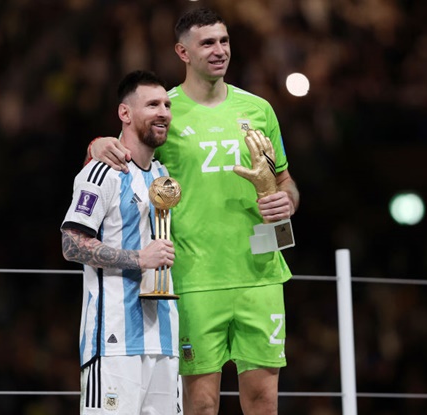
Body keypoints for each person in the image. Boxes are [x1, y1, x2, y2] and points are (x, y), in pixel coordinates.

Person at [87, 8, 299, 415]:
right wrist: (96, 145)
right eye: (207, 43)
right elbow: (120, 155)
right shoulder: (165, 110)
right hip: (193, 277)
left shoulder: (259, 109)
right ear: (182, 52)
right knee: (200, 404)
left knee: (264, 401)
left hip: (260, 275)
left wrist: (287, 199)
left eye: (224, 41)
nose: (220, 51)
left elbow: (285, 179)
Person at [61, 70, 180, 415]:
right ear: (125, 113)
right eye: (153, 105)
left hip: (163, 338)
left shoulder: (162, 175)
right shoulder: (101, 172)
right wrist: (139, 259)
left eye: (167, 105)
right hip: (114, 341)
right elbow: (71, 243)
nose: (163, 112)